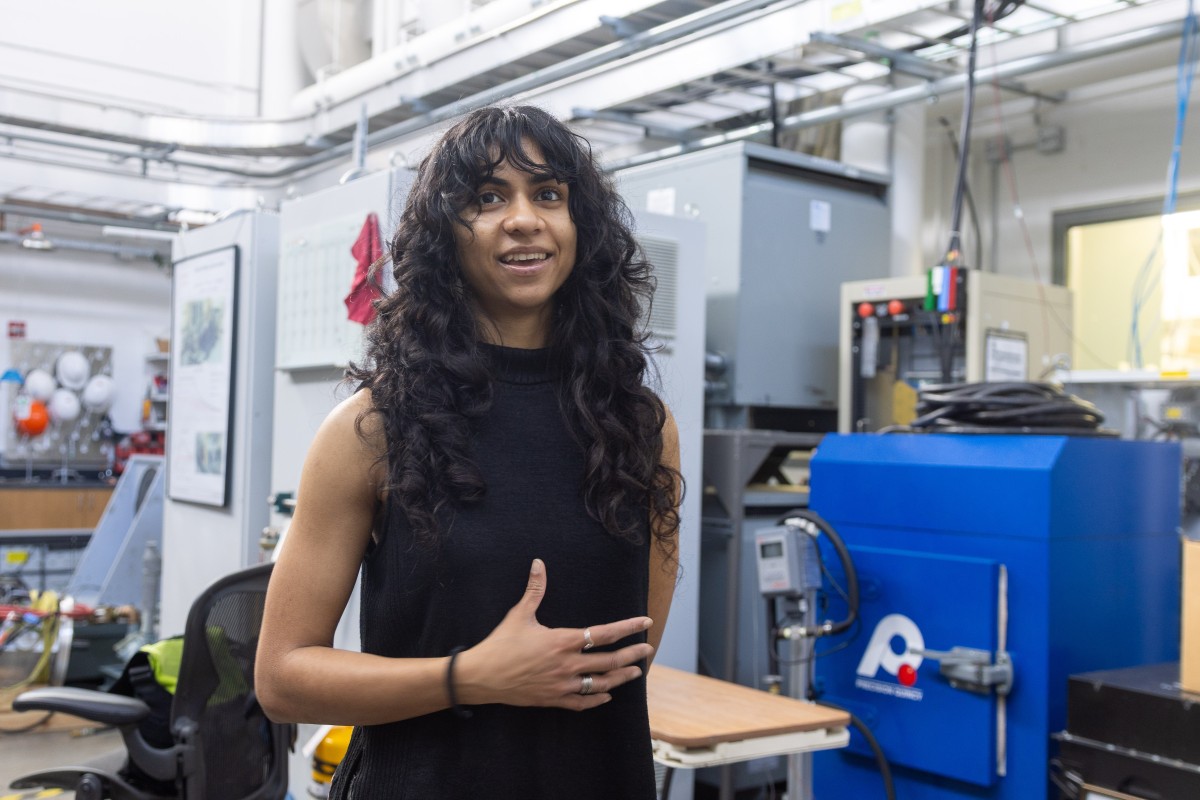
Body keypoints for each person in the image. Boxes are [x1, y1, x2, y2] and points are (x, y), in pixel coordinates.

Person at [256, 104, 682, 799]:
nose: (522, 218)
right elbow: (280, 678)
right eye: (488, 198)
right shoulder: (371, 429)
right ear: (445, 236)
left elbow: (630, 655)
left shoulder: (641, 425)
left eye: (548, 195)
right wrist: (471, 676)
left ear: (582, 228)